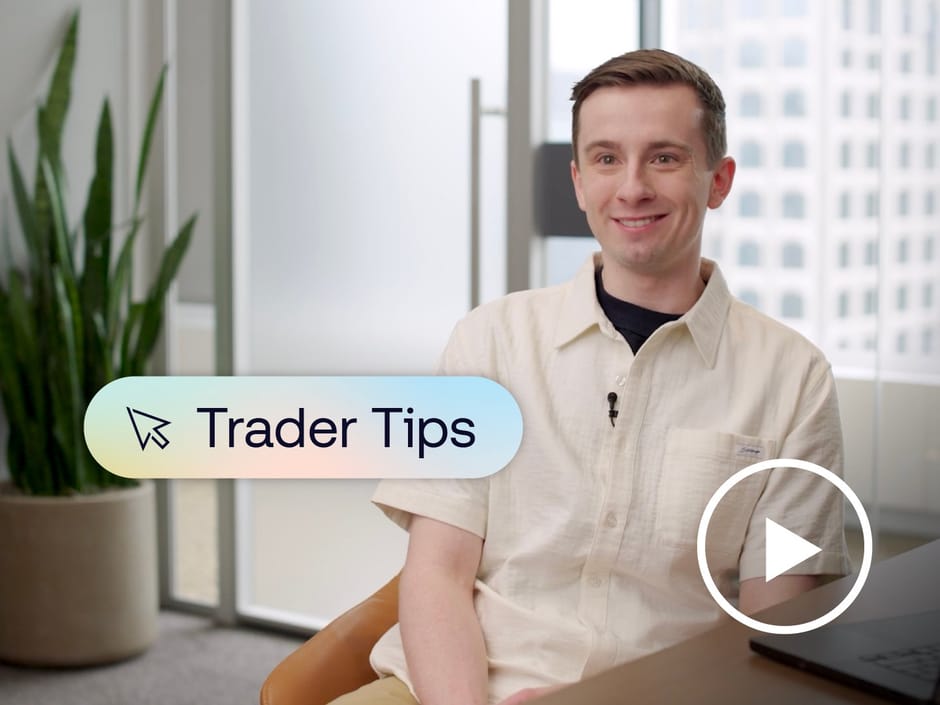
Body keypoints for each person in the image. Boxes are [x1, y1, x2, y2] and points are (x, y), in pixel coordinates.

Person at [331, 48, 849, 705]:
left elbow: (773, 628)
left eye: (665, 157)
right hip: (453, 686)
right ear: (579, 182)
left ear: (718, 181)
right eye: (607, 159)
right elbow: (437, 573)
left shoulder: (794, 380)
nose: (632, 187)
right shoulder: (488, 342)